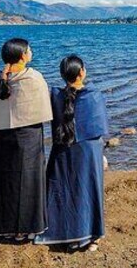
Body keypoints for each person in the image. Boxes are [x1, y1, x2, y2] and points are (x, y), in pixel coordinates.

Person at [0, 38, 53, 240]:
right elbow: (44, 102)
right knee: (28, 180)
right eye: (29, 50)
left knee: (4, 180)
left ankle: (1, 226)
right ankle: (27, 228)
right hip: (28, 134)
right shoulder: (33, 77)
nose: (31, 52)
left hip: (1, 133)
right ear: (23, 55)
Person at [35, 55, 108, 250]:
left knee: (63, 188)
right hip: (88, 149)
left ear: (62, 74)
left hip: (62, 147)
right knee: (89, 189)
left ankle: (60, 231)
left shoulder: (55, 95)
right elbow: (97, 127)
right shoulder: (94, 94)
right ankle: (92, 236)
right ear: (82, 72)